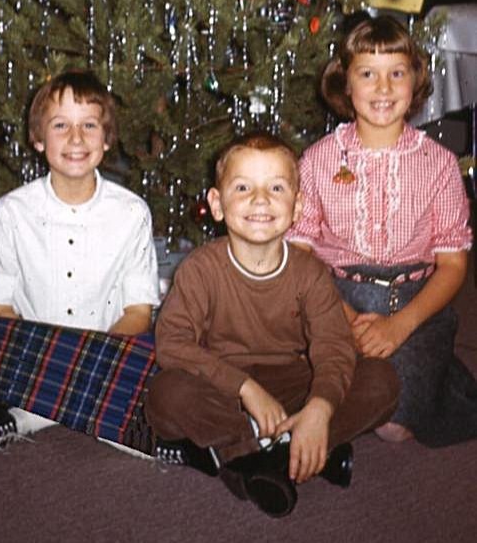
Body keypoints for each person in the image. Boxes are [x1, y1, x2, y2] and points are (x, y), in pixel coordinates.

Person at [145, 132, 400, 519]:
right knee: (166, 395)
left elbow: (334, 348)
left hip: (293, 383)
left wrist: (320, 406)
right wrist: (245, 388)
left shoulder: (310, 273)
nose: (260, 199)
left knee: (382, 380)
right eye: (243, 187)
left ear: (297, 206)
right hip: (224, 389)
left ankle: (263, 456)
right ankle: (288, 454)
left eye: (276, 187)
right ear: (217, 204)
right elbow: (173, 344)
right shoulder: (200, 269)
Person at [287, 14, 476, 447]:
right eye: (368, 74)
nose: (384, 88)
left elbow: (452, 266)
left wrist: (398, 327)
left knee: (393, 427)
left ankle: (436, 372)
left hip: (413, 302)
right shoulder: (317, 160)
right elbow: (299, 255)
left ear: (416, 80)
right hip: (333, 295)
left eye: (397, 73)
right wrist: (346, 318)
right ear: (345, 83)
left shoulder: (439, 164)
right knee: (301, 372)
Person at [0, 70, 160, 457]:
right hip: (34, 355)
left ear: (106, 139)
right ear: (38, 139)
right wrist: (50, 358)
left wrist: (91, 358)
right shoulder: (10, 213)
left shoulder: (131, 213)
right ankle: (106, 418)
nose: (76, 139)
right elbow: (0, 307)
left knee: (156, 356)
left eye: (89, 125)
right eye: (60, 125)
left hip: (107, 351)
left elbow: (138, 312)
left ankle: (22, 419)